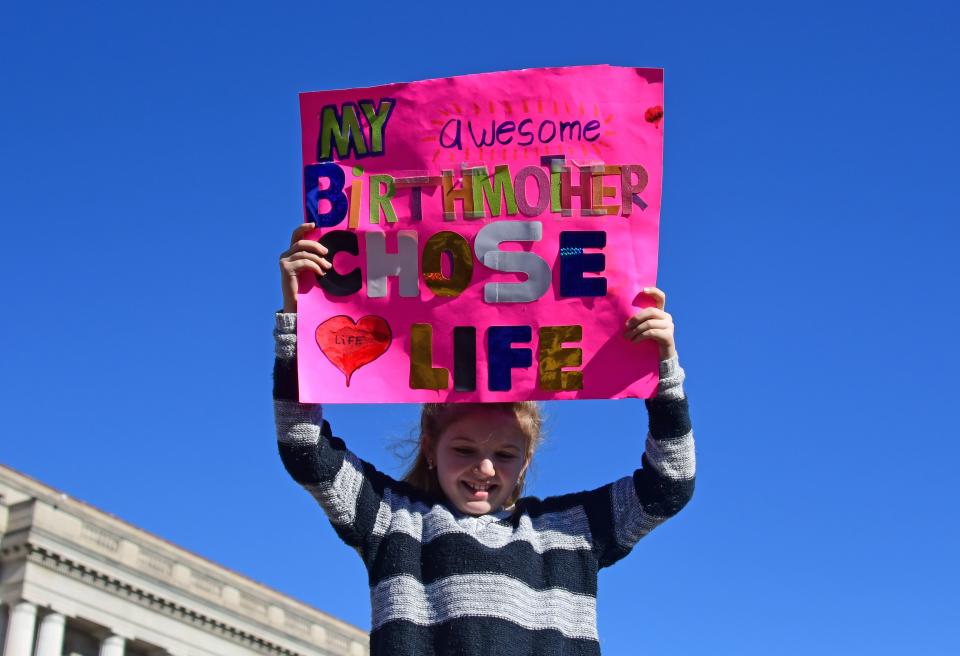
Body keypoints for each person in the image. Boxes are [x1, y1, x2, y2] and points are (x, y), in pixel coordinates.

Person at [274, 223, 695, 656]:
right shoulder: (393, 520)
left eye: (504, 454)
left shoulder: (571, 531)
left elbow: (670, 483)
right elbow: (304, 448)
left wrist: (663, 370)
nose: (485, 467)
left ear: (526, 460)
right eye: (464, 450)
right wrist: (297, 320)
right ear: (430, 447)